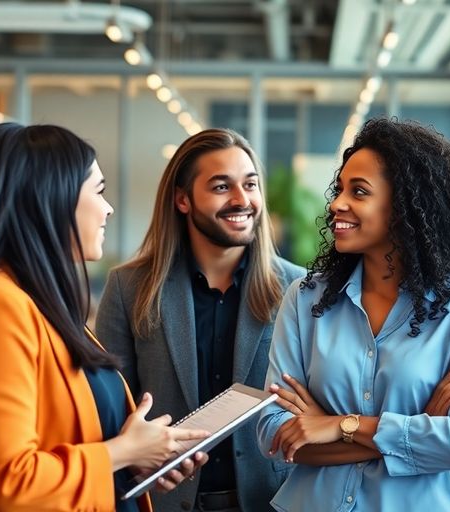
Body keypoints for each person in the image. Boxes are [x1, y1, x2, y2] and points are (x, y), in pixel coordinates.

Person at [0, 123, 208, 511]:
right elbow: (9, 482)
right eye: (99, 191)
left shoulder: (37, 304)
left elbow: (62, 441)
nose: (108, 208)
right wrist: (121, 453)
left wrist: (139, 460)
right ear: (51, 201)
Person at [255, 118, 450, 511]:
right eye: (340, 189)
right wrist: (416, 430)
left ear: (405, 205)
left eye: (359, 192)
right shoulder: (305, 299)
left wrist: (336, 424)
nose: (337, 203)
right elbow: (275, 433)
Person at [96, 128, 305, 512]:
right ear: (182, 200)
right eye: (222, 187)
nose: (242, 200)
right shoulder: (129, 287)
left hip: (272, 502)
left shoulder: (299, 288)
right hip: (164, 500)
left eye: (251, 184)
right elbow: (108, 411)